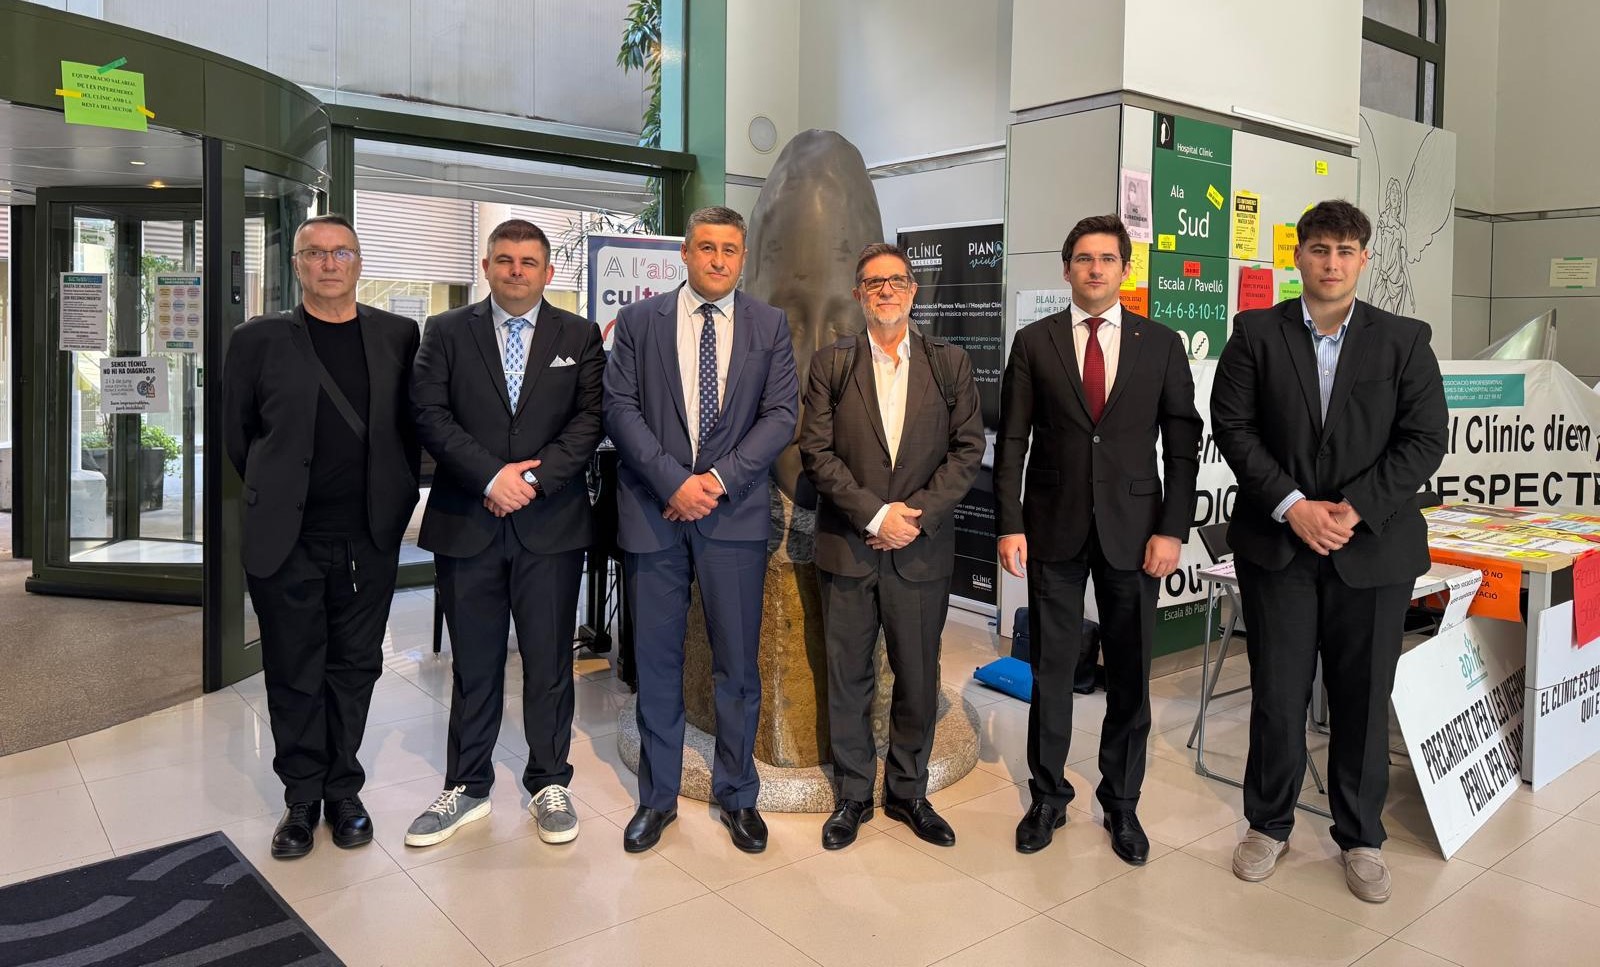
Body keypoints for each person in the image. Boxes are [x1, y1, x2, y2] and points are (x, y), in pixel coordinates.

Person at [1210, 200, 1447, 903]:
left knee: (1363, 700)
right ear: (1299, 256)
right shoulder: (1255, 332)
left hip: (1370, 548)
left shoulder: (1403, 339)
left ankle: (1361, 835)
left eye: (1346, 250)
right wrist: (1294, 505)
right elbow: (1233, 426)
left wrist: (1356, 507)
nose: (1332, 262)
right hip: (1278, 546)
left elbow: (1425, 437)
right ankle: (1268, 824)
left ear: (1364, 258)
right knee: (1278, 694)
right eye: (1319, 249)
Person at [994, 214, 1202, 865]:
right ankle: (1047, 797)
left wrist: (1172, 529)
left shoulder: (1160, 344)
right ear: (1067, 269)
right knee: (1052, 670)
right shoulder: (1034, 342)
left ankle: (1121, 801)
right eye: (1083, 258)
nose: (1094, 269)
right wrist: (1009, 522)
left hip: (1136, 535)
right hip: (1052, 529)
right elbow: (1013, 441)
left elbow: (1184, 445)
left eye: (1107, 258)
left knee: (1131, 676)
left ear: (1124, 270)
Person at [222, 214, 420, 860]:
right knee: (293, 667)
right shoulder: (257, 340)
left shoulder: (398, 335)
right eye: (316, 253)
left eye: (342, 253)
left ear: (359, 264)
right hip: (288, 538)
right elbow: (239, 436)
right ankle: (302, 798)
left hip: (368, 536)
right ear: (297, 265)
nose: (329, 264)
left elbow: (409, 428)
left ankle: (343, 789)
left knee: (355, 665)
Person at [403, 219, 605, 847]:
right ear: (487, 267)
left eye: (528, 262)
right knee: (474, 663)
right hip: (469, 520)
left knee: (549, 662)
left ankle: (549, 781)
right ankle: (467, 786)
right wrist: (492, 477)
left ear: (548, 272)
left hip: (551, 524)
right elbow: (428, 413)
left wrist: (531, 481)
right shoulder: (444, 331)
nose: (517, 271)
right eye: (506, 260)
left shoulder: (579, 335)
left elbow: (590, 418)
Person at [603, 206, 798, 854]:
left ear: (743, 258)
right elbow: (619, 408)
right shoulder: (639, 322)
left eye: (730, 249)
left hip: (733, 517)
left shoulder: (769, 325)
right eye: (706, 247)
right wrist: (673, 483)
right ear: (684, 253)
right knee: (657, 663)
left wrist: (713, 481)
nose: (718, 259)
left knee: (737, 665)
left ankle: (737, 794)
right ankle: (657, 797)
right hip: (653, 514)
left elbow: (781, 415)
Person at [798, 243, 984, 850]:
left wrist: (912, 518)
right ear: (858, 294)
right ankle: (853, 794)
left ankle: (908, 791)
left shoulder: (949, 363)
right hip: (849, 547)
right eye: (873, 283)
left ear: (913, 291)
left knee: (918, 677)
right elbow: (816, 451)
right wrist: (875, 514)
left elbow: (967, 450)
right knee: (848, 677)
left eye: (896, 281)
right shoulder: (831, 364)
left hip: (920, 551)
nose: (886, 291)